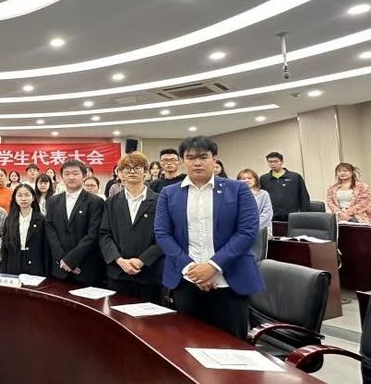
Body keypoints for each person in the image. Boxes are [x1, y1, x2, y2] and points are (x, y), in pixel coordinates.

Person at [155, 136, 263, 339]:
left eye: (203, 157)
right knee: (187, 343)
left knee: (231, 345)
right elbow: (162, 233)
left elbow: (248, 231)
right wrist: (192, 269)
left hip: (229, 281)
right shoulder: (168, 193)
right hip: (186, 281)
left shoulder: (238, 189)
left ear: (214, 159)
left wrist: (212, 266)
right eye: (190, 157)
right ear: (183, 161)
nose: (197, 162)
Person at [98, 152, 163, 304]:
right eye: (127, 168)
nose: (132, 171)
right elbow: (104, 234)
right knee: (117, 315)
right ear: (120, 173)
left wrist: (142, 260)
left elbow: (164, 236)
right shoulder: (110, 203)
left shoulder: (160, 201)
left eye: (137, 167)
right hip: (118, 273)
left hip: (149, 274)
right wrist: (119, 260)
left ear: (146, 172)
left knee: (149, 317)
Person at [45, 159, 105, 285]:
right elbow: (50, 231)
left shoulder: (95, 202)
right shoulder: (53, 201)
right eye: (66, 174)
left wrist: (71, 260)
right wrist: (63, 259)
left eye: (75, 173)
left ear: (84, 176)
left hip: (85, 267)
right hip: (59, 267)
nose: (71, 177)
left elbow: (93, 234)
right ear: (61, 177)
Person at [0, 183, 48, 276]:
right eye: (19, 195)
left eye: (27, 195)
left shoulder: (41, 220)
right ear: (15, 198)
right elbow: (5, 248)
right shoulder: (9, 219)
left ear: (33, 198)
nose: (23, 199)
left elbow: (45, 248)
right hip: (13, 265)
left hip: (35, 265)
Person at [259, 152, 310, 221]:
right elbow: (261, 198)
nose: (273, 164)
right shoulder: (264, 179)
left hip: (292, 216)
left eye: (276, 161)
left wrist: (304, 215)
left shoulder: (295, 177)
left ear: (282, 162)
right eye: (270, 162)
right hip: (272, 216)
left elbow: (304, 197)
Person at [236, 169, 274, 237]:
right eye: (243, 179)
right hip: (241, 231)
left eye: (250, 178)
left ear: (255, 180)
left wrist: (251, 227)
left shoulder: (264, 194)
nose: (247, 180)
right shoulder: (235, 195)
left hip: (261, 230)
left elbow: (267, 214)